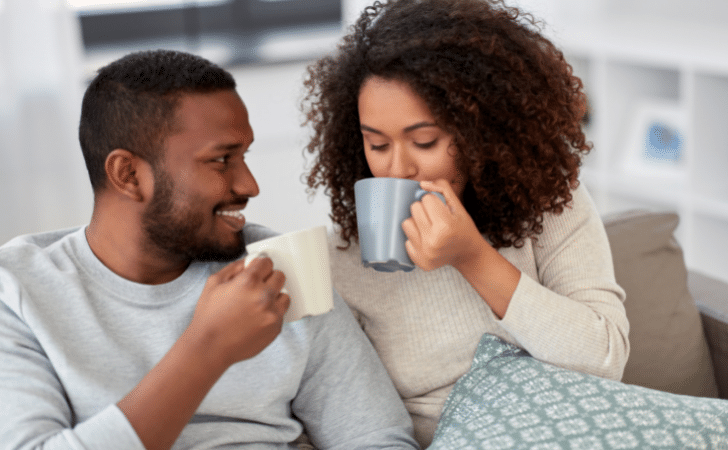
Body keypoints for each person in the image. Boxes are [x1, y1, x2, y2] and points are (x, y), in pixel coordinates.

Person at [0, 49, 420, 450]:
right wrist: (208, 346)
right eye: (221, 160)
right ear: (128, 174)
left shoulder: (277, 266)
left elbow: (376, 439)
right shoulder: (18, 291)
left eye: (245, 155)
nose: (249, 185)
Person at [301, 0, 629, 446]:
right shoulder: (340, 261)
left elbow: (604, 357)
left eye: (424, 141)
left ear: (483, 130)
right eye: (377, 145)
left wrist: (473, 258)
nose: (398, 169)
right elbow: (351, 421)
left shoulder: (551, 204)